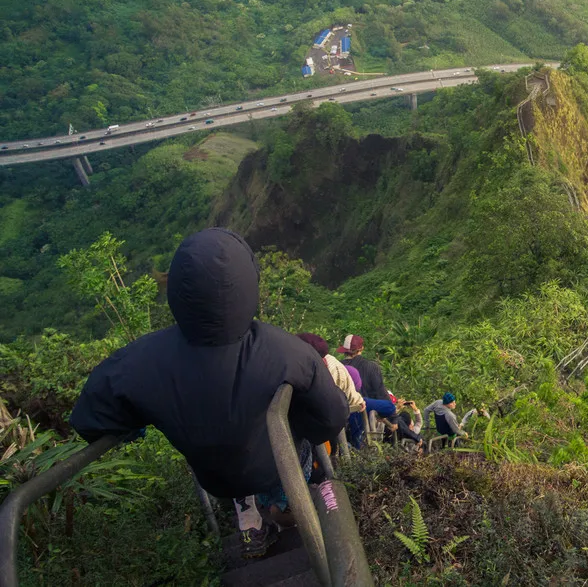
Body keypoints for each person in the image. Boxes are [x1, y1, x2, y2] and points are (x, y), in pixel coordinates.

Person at [70, 228, 349, 559]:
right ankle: (285, 509)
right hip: (274, 464)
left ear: (179, 289)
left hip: (215, 477)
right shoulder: (289, 350)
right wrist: (299, 424)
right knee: (291, 451)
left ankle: (249, 519)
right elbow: (331, 418)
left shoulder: (138, 362)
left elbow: (89, 420)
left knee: (232, 453)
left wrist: (133, 426)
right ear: (248, 284)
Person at [297, 333, 365, 413]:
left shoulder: (338, 365)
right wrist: (359, 401)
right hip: (345, 405)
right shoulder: (336, 367)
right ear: (361, 349)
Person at [337, 335, 389, 401]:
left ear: (344, 350)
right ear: (361, 348)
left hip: (343, 405)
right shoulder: (372, 367)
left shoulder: (337, 366)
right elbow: (381, 393)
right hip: (367, 405)